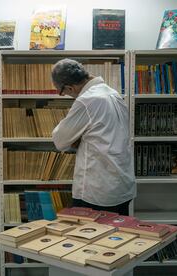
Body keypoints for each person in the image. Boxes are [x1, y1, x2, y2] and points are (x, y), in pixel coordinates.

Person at [51, 58, 136, 216]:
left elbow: (60, 141)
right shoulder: (113, 93)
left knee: (91, 238)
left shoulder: (87, 100)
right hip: (122, 185)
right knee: (117, 237)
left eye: (63, 92)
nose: (64, 95)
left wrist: (77, 137)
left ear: (70, 87)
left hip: (97, 190)